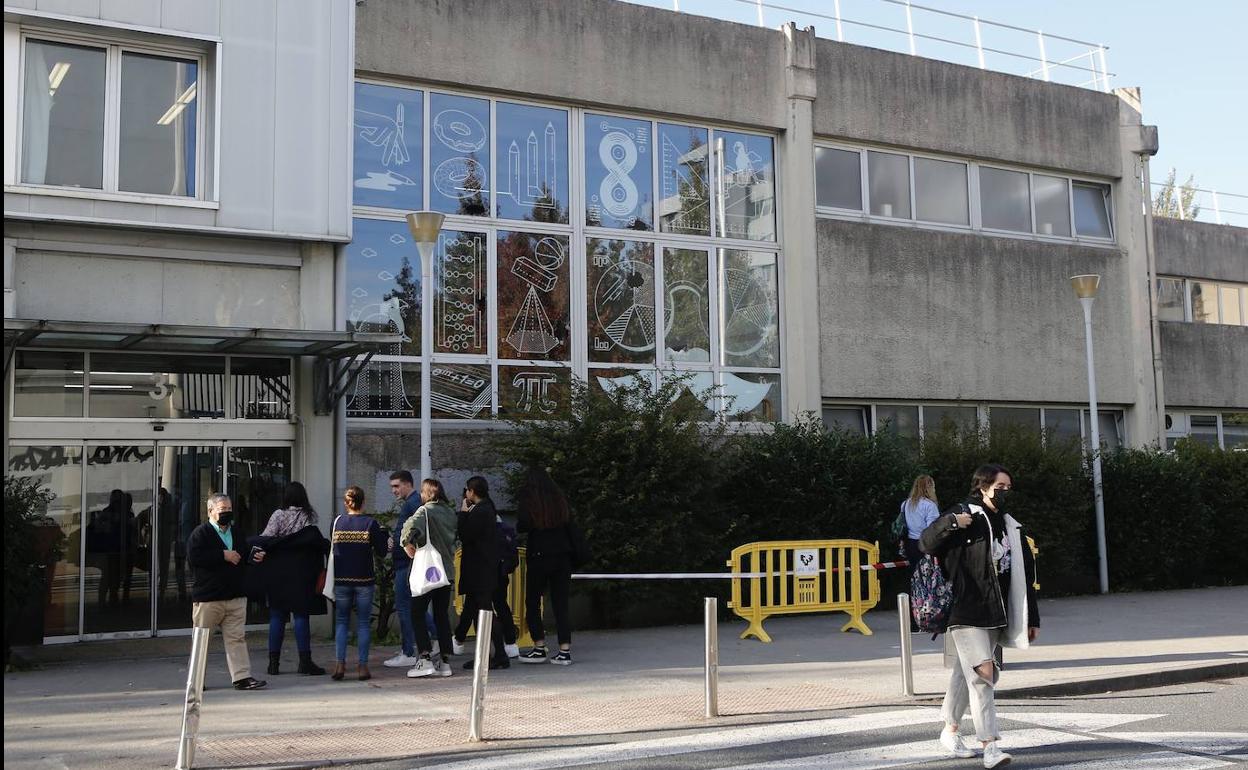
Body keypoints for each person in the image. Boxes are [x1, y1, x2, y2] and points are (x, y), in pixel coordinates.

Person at [920, 464, 1040, 769]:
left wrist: (1032, 618)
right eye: (1000, 487)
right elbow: (926, 542)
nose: (1005, 492)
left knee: (967, 673)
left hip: (996, 610)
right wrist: (951, 523)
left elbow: (1025, 575)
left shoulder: (1010, 525)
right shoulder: (965, 514)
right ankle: (990, 746)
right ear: (983, 487)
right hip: (966, 608)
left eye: (1009, 488)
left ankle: (950, 729)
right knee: (984, 674)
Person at [187, 493, 266, 691]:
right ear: (210, 511)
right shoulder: (201, 533)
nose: (227, 513)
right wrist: (222, 555)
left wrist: (253, 557)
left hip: (235, 596)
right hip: (209, 598)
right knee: (202, 640)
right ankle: (196, 680)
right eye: (222, 509)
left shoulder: (236, 532)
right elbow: (194, 557)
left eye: (229, 509)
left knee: (236, 639)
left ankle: (242, 677)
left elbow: (242, 554)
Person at [251, 482, 330, 676]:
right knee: (301, 616)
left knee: (277, 616)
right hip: (301, 573)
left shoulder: (278, 515)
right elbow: (313, 542)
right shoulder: (307, 517)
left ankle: (273, 664)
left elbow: (265, 538)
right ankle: (305, 662)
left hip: (278, 572)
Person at [516, 467, 575, 665]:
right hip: (562, 556)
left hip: (539, 555)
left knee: (533, 602)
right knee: (561, 605)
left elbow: (522, 525)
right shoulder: (559, 499)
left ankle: (539, 646)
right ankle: (564, 650)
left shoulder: (530, 500)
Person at [400, 479, 458, 679]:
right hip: (446, 572)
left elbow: (409, 529)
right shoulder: (450, 512)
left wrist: (406, 544)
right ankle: (445, 662)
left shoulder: (424, 511)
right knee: (442, 615)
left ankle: (424, 658)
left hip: (427, 571)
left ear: (427, 493)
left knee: (417, 612)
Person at [329, 485, 388, 681]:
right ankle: (362, 667)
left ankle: (340, 664)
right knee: (363, 623)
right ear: (363, 502)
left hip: (341, 579)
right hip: (364, 579)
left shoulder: (336, 522)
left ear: (346, 503)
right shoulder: (370, 523)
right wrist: (384, 536)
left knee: (341, 622)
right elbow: (381, 551)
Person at [454, 476, 510, 670]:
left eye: (467, 491)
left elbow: (465, 534)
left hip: (480, 570)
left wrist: (463, 513)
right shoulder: (487, 508)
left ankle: (498, 654)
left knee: (485, 612)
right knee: (477, 611)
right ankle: (484, 654)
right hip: (483, 569)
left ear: (472, 492)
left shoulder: (480, 511)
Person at [382, 470, 423, 669]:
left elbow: (418, 530)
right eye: (392, 487)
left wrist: (403, 545)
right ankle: (433, 640)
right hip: (406, 562)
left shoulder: (412, 503)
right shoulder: (412, 502)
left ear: (408, 484)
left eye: (396, 486)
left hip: (406, 564)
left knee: (405, 606)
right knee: (413, 606)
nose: (394, 490)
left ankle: (408, 652)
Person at [902, 475, 941, 582]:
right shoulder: (930, 505)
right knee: (929, 580)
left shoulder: (906, 503)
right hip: (925, 545)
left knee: (915, 578)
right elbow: (933, 529)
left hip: (910, 544)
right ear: (929, 487)